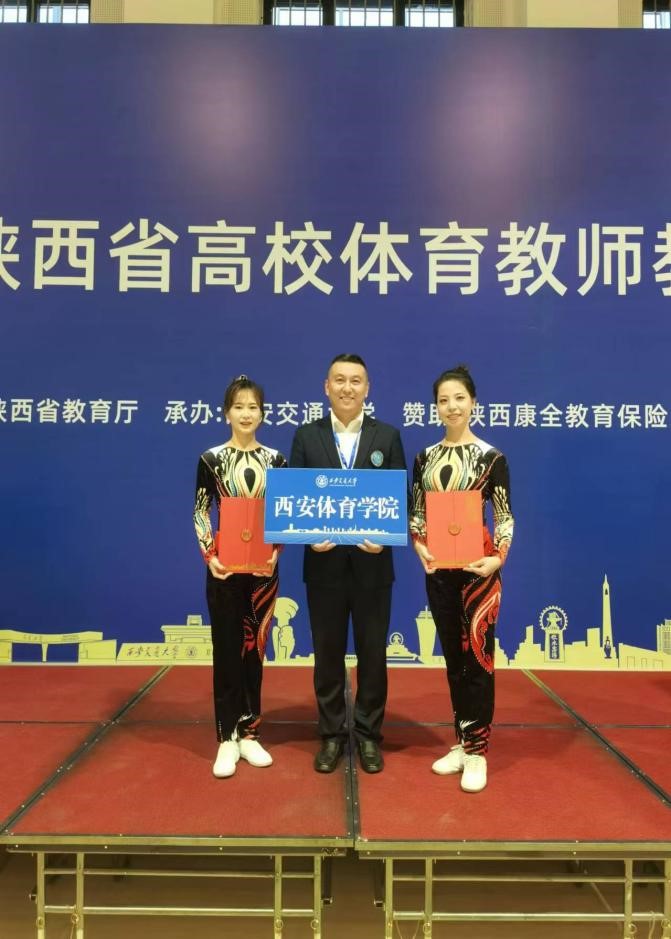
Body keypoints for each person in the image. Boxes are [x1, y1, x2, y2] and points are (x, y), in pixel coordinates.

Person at [290, 354, 406, 774]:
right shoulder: (307, 436)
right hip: (324, 565)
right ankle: (332, 735)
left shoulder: (387, 436)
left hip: (373, 565)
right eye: (339, 380)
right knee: (327, 654)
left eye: (356, 381)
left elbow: (399, 498)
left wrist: (385, 537)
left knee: (373, 654)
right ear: (326, 387)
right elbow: (296, 499)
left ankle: (369, 734)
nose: (347, 388)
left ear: (367, 388)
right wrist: (307, 535)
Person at [410, 365, 513, 793]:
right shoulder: (425, 458)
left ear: (473, 403)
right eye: (443, 400)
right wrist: (420, 546)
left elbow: (504, 518)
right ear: (435, 408)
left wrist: (496, 559)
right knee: (454, 660)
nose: (451, 406)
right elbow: (417, 515)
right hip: (440, 574)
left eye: (459, 398)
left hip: (478, 574)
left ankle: (478, 752)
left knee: (478, 662)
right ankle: (462, 740)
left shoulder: (491, 458)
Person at [194, 376, 287, 778]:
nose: (246, 414)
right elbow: (201, 511)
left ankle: (250, 732)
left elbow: (283, 515)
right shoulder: (211, 459)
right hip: (225, 570)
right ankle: (226, 738)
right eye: (239, 407)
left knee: (255, 652)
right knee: (227, 651)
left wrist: (276, 553)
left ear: (262, 414)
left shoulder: (276, 461)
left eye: (253, 407)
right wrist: (210, 555)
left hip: (264, 572)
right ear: (226, 413)